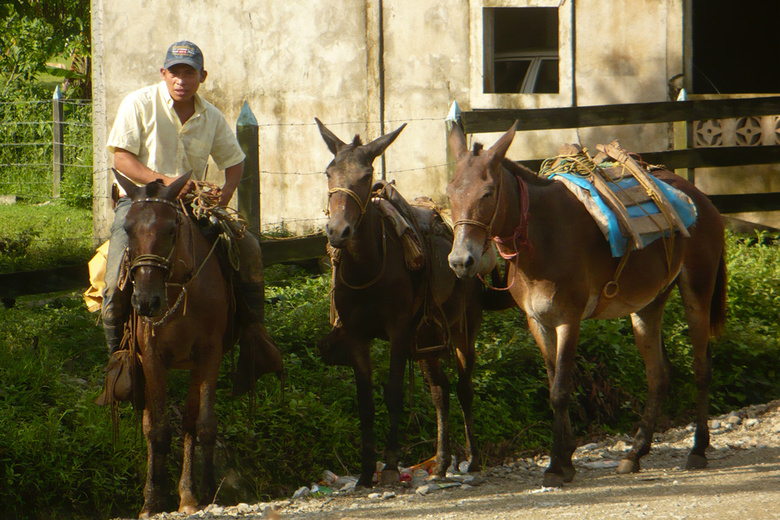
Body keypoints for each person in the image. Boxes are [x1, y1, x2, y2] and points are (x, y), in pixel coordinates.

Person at [103, 41, 282, 395]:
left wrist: (226, 194)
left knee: (247, 247)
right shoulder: (138, 104)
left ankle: (253, 338)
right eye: (174, 72)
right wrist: (167, 182)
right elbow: (122, 160)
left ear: (202, 76)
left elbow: (235, 161)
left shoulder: (211, 116)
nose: (181, 80)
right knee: (113, 277)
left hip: (190, 206)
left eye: (189, 72)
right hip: (140, 202)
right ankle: (120, 360)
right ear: (163, 73)